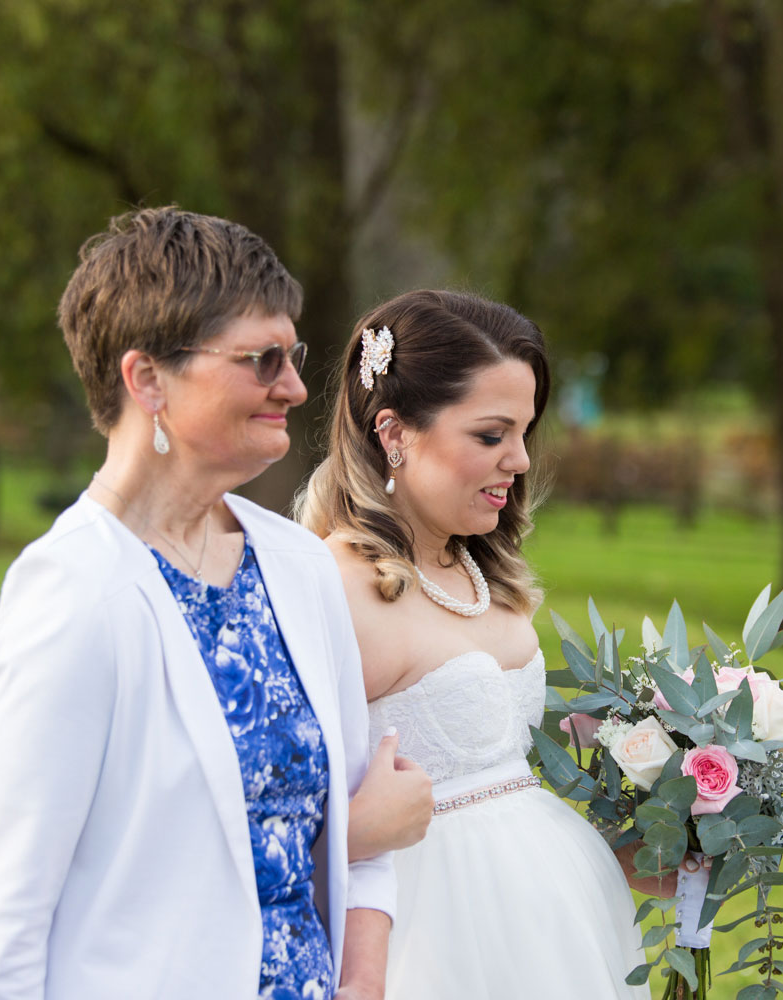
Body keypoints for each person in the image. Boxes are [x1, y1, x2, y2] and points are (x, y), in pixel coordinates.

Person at [0, 207, 421, 1000]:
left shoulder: (300, 568)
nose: (296, 386)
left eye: (293, 354)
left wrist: (361, 983)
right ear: (147, 380)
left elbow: (363, 829)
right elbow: (6, 917)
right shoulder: (74, 591)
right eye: (261, 359)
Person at [297, 290, 650, 999]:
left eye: (524, 433)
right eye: (490, 436)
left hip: (553, 916)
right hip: (428, 935)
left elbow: (499, 781)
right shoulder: (333, 587)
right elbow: (273, 814)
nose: (518, 461)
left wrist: (643, 834)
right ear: (394, 432)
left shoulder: (481, 569)